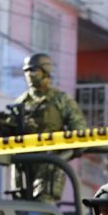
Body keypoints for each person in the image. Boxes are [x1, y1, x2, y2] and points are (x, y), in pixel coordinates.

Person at [13, 52, 87, 201]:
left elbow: (80, 132)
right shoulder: (20, 102)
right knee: (19, 209)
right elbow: (8, 134)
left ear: (45, 72)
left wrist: (62, 156)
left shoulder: (60, 100)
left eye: (33, 70)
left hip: (49, 162)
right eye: (26, 71)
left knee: (44, 204)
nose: (28, 75)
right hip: (24, 163)